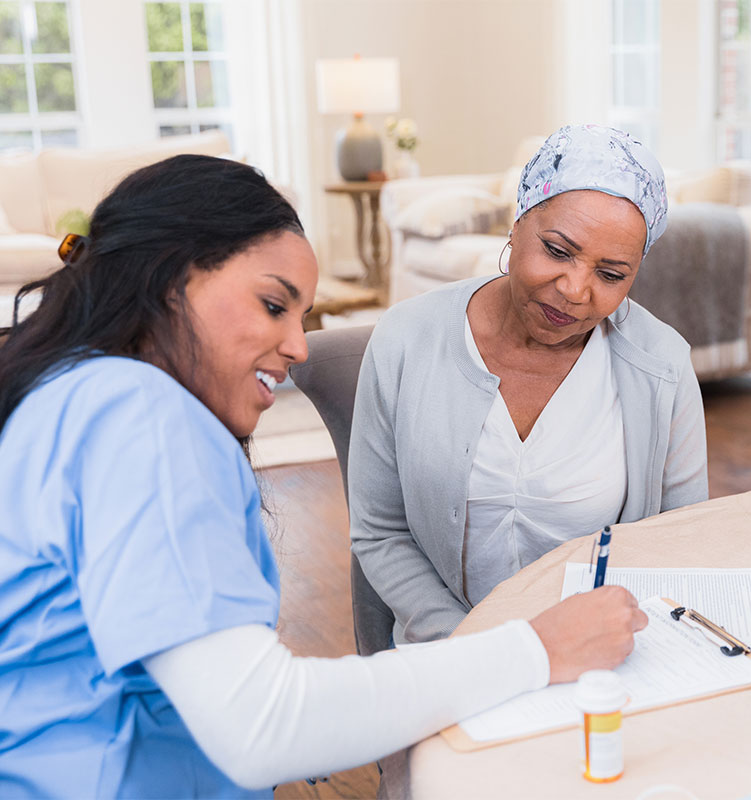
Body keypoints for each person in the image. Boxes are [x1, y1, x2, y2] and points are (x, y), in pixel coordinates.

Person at [0, 154, 648, 798]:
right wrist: (538, 648)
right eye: (273, 304)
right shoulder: (141, 417)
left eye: (301, 316)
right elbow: (261, 724)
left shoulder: (79, 397)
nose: (299, 347)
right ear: (169, 279)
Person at [349, 124, 708, 646]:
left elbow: (680, 540)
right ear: (517, 224)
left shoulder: (663, 366)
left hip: (602, 656)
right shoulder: (405, 339)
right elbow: (381, 532)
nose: (575, 290)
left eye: (611, 274)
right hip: (450, 655)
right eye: (558, 251)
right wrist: (475, 645)